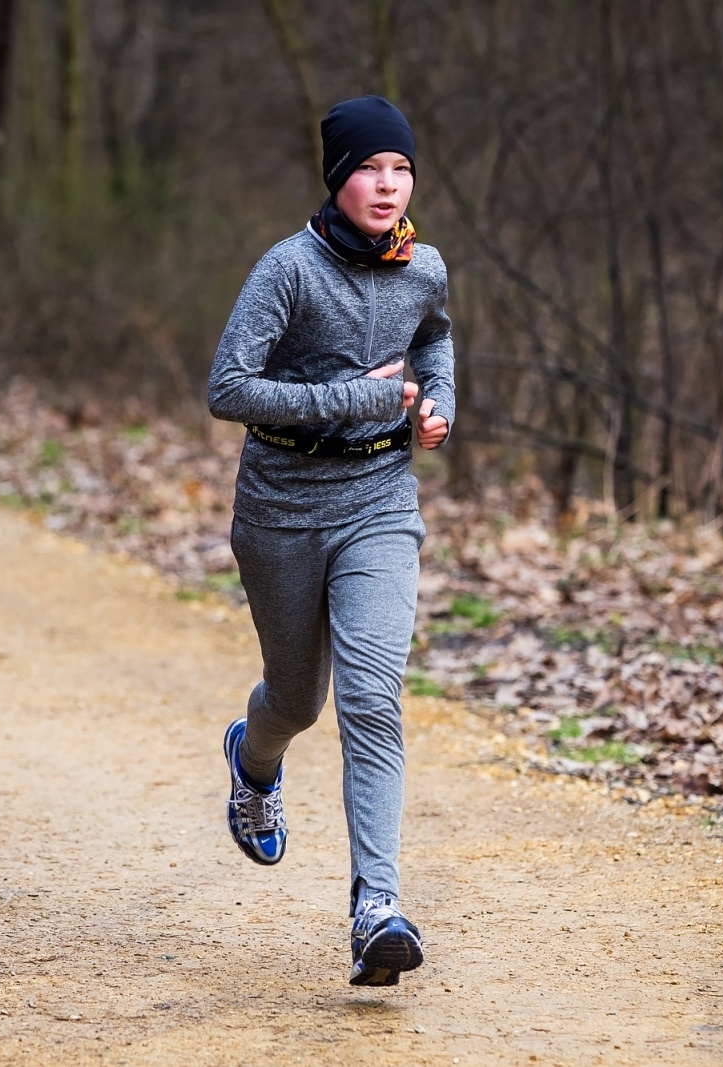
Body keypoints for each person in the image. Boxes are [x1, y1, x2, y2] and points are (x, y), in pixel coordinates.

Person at [206, 95, 454, 987]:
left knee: (374, 696)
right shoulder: (288, 270)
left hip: (381, 501)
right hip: (279, 506)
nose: (388, 185)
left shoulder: (424, 267)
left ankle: (375, 908)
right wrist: (353, 396)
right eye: (370, 168)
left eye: (401, 169)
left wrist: (439, 404)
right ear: (337, 177)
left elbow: (435, 340)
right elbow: (227, 388)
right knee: (298, 700)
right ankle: (253, 756)